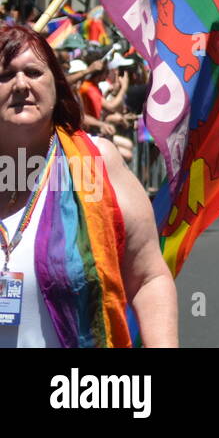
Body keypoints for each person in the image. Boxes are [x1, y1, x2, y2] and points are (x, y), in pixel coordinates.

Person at [0, 25, 177, 347]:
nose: (21, 84)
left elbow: (148, 278)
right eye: (5, 75)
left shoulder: (93, 164)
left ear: (56, 86)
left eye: (33, 72)